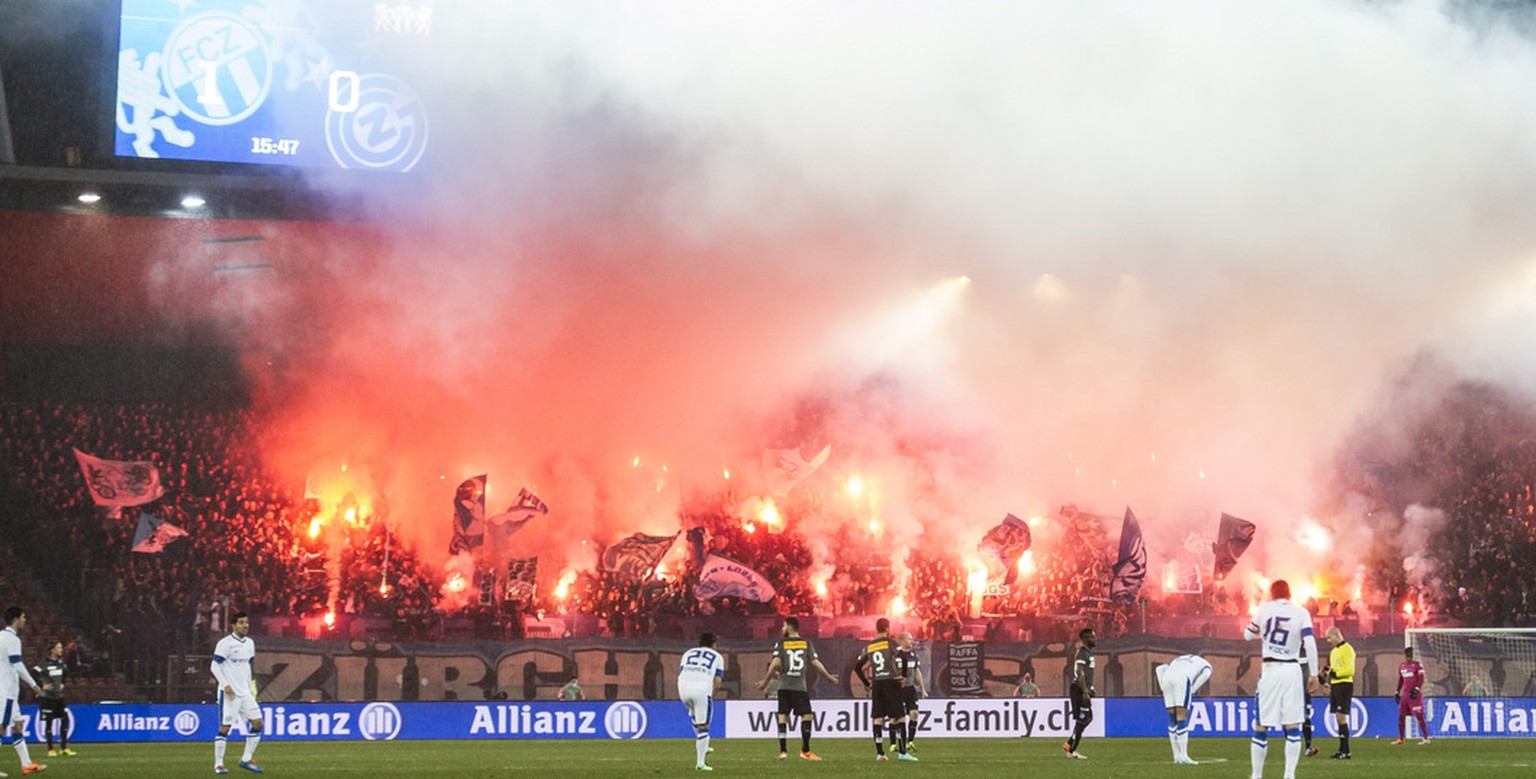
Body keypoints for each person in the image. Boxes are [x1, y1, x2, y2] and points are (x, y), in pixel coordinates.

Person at [1244, 580, 1319, 779]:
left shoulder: (1263, 609)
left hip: (1270, 669)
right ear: (1289, 594)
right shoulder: (1301, 613)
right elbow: (1310, 643)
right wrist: (1314, 673)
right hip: (1292, 670)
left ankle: (1256, 776)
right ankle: (1288, 775)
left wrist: (1259, 629)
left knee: (1261, 725)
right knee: (1293, 725)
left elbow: (1247, 636)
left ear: (1271, 593)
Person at [755, 617, 837, 761]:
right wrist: (828, 676)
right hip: (799, 687)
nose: (782, 628)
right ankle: (805, 751)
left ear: (790, 627)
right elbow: (816, 663)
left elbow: (775, 664)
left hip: (784, 686)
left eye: (784, 625)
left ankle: (783, 751)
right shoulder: (806, 643)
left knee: (782, 717)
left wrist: (765, 681)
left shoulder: (781, 643)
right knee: (807, 716)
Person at [853, 618, 914, 762]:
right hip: (891, 683)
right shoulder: (890, 642)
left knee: (878, 719)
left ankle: (880, 754)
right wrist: (903, 676)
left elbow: (857, 667)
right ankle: (903, 753)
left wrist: (867, 683)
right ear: (887, 628)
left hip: (877, 684)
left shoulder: (869, 646)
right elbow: (904, 658)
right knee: (899, 717)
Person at [211, 611, 264, 775]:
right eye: (241, 622)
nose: (245, 625)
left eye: (246, 622)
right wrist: (226, 685)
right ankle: (218, 764)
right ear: (233, 625)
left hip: (245, 693)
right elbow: (214, 666)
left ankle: (246, 760)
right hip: (229, 694)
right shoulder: (225, 643)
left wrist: (251, 690)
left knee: (258, 724)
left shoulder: (250, 643)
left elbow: (248, 668)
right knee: (225, 728)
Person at [0, 607, 45, 775]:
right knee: (2, 727)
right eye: (23, 617)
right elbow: (17, 664)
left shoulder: (1, 637)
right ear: (15, 619)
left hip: (7, 690)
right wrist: (33, 684)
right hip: (5, 692)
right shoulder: (11, 639)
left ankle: (26, 764)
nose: (25, 620)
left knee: (18, 726)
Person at [678, 632, 724, 772]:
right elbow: (717, 683)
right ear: (713, 644)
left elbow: (682, 672)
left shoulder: (687, 653)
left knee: (695, 717)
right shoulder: (717, 657)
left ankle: (704, 744)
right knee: (704, 726)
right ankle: (700, 763)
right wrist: (712, 696)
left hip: (683, 689)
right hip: (701, 690)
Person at [1155, 653, 1212, 765]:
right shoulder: (1205, 664)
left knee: (1172, 718)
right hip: (1182, 678)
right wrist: (1193, 689)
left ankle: (1176, 756)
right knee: (1181, 716)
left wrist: (1162, 685)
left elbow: (1160, 668)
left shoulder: (1178, 659)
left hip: (1167, 676)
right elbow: (1205, 675)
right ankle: (1184, 756)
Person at [32, 641, 73, 757]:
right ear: (52, 650)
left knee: (65, 719)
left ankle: (63, 747)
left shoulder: (61, 663)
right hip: (47, 698)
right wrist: (41, 685)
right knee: (49, 722)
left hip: (58, 697)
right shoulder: (44, 663)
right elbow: (33, 673)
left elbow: (65, 673)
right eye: (59, 648)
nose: (61, 650)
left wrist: (63, 683)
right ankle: (50, 749)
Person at [1321, 626, 1355, 760]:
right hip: (1335, 686)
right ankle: (1343, 750)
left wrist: (1334, 674)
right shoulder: (1334, 652)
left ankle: (1346, 751)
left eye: (1329, 637)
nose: (1328, 641)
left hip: (1344, 685)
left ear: (1336, 635)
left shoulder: (1348, 649)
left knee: (1341, 717)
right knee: (1338, 718)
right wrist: (1325, 678)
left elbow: (1350, 670)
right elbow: (1332, 668)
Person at [1063, 627, 1096, 759]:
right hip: (1079, 689)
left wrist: (1090, 688)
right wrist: (1084, 691)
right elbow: (1080, 672)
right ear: (1085, 639)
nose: (1094, 639)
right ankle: (1071, 751)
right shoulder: (1082, 653)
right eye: (1092, 637)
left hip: (1082, 688)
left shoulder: (1087, 653)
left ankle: (1069, 744)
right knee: (1083, 719)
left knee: (1088, 718)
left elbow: (1085, 674)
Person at [896, 632, 927, 752]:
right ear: (902, 640)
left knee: (914, 714)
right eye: (909, 639)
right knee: (900, 718)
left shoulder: (914, 655)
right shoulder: (895, 654)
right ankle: (899, 744)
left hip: (910, 688)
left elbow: (916, 672)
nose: (912, 641)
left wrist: (922, 689)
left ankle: (910, 742)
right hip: (898, 690)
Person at [1393, 646, 1430, 745]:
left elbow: (1421, 678)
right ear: (1405, 655)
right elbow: (1400, 680)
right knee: (1401, 716)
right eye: (1407, 655)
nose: (1409, 656)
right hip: (1405, 696)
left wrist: (1417, 689)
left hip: (1415, 696)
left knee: (1419, 716)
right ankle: (1401, 739)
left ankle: (1426, 738)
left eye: (1410, 654)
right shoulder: (1402, 666)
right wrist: (1397, 692)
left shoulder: (1418, 666)